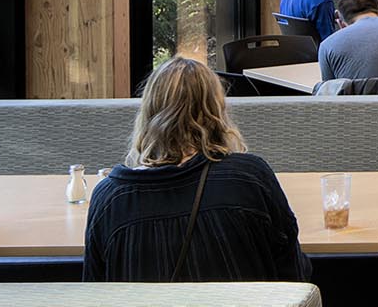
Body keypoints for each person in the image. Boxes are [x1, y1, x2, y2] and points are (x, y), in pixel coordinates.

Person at [83, 57, 312, 283]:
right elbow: (294, 278)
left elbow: (95, 294)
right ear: (216, 110)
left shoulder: (110, 199)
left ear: (149, 113)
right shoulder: (250, 178)